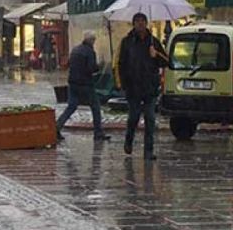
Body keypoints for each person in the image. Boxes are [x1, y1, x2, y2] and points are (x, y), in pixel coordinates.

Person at [116, 13, 169, 160]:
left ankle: (148, 151)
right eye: (137, 21)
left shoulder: (153, 42)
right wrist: (122, 84)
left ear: (146, 23)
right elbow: (120, 64)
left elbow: (166, 61)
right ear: (133, 24)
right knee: (133, 117)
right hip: (133, 88)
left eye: (142, 21)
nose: (140, 24)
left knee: (150, 119)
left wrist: (156, 54)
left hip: (150, 88)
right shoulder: (127, 42)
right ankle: (128, 140)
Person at [56, 31, 111, 142]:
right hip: (85, 84)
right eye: (94, 40)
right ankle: (98, 133)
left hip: (72, 83)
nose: (94, 42)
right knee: (95, 107)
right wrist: (99, 66)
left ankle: (56, 127)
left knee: (71, 107)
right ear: (90, 40)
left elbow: (68, 64)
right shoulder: (90, 52)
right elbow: (91, 68)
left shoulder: (75, 50)